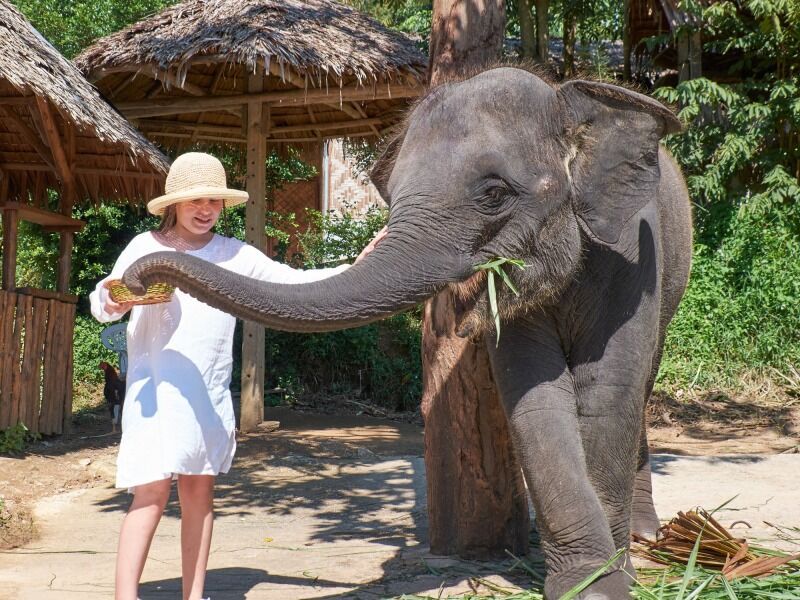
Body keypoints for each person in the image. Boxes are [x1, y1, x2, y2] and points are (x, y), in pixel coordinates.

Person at [90, 152, 386, 600]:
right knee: (148, 494)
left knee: (198, 494)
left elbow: (295, 283)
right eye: (195, 201)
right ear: (174, 203)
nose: (206, 209)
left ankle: (195, 595)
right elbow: (102, 303)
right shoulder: (144, 247)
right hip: (154, 392)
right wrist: (116, 302)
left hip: (205, 393)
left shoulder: (235, 254)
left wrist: (357, 267)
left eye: (214, 200)